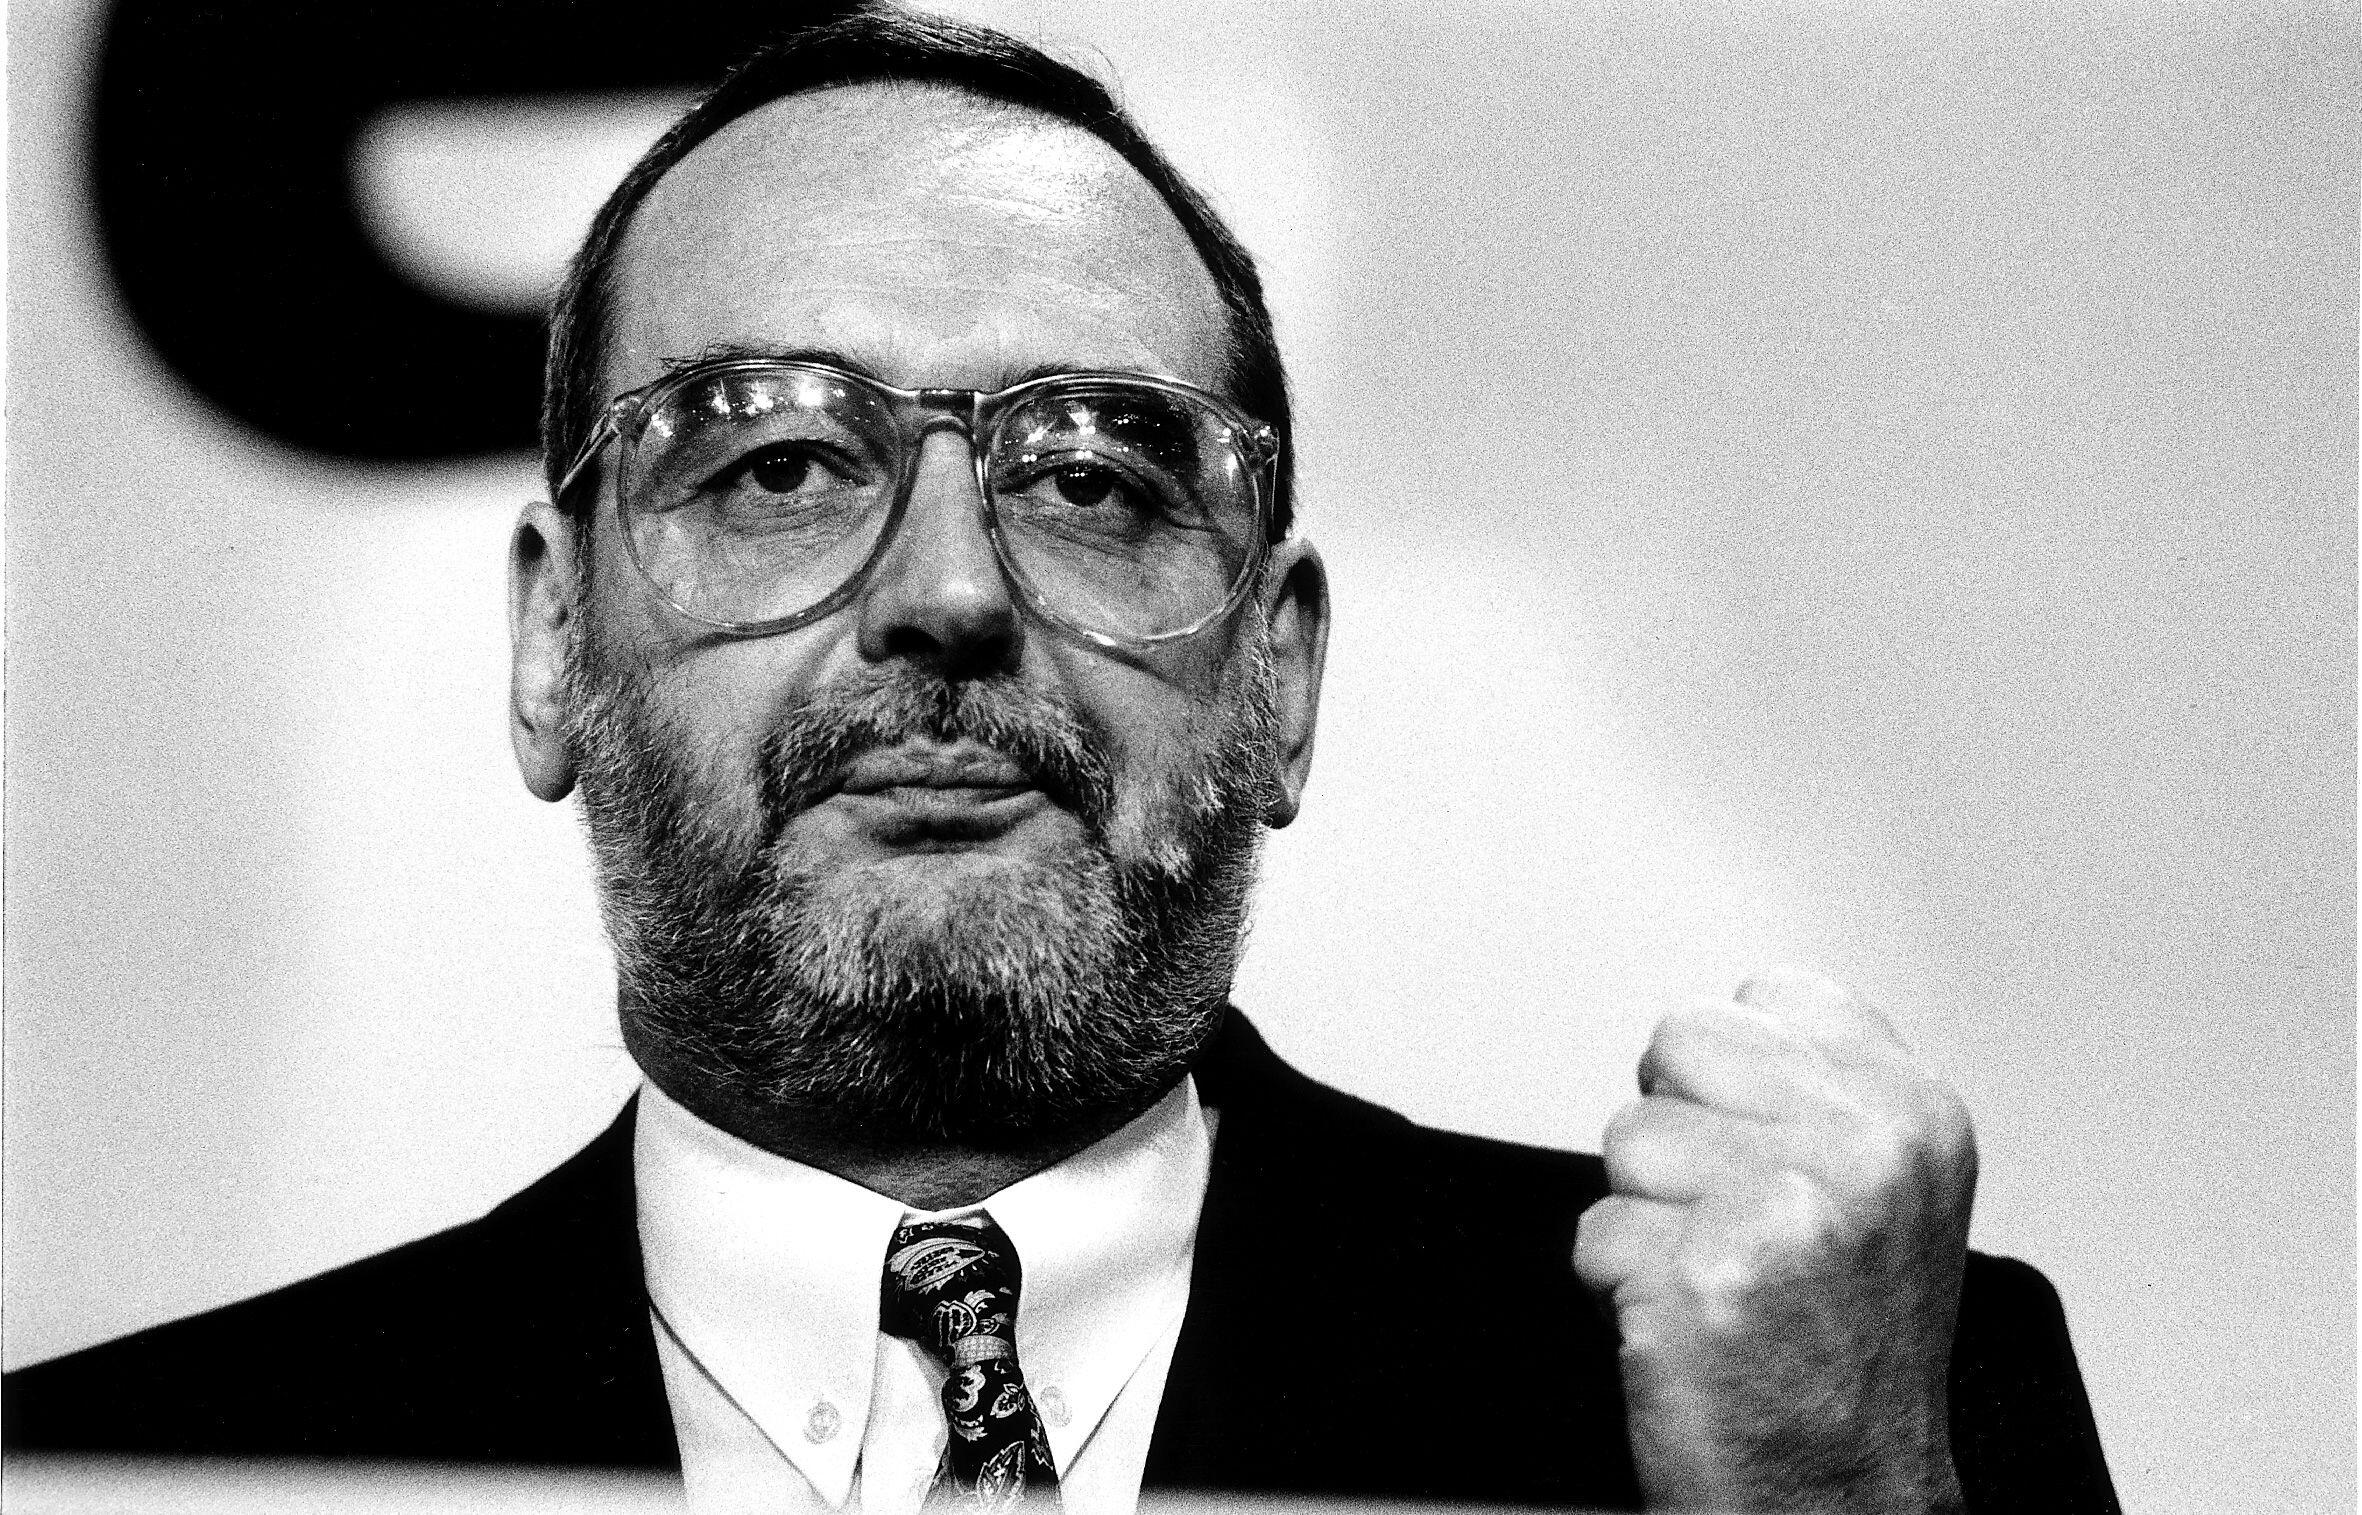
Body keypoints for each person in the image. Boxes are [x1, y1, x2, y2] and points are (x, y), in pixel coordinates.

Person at [5, 9, 2119, 1512]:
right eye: (778, 462)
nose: (945, 592)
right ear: (555, 641)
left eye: (1093, 476)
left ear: (1279, 672)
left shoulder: (1852, 1405)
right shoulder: (129, 1472)